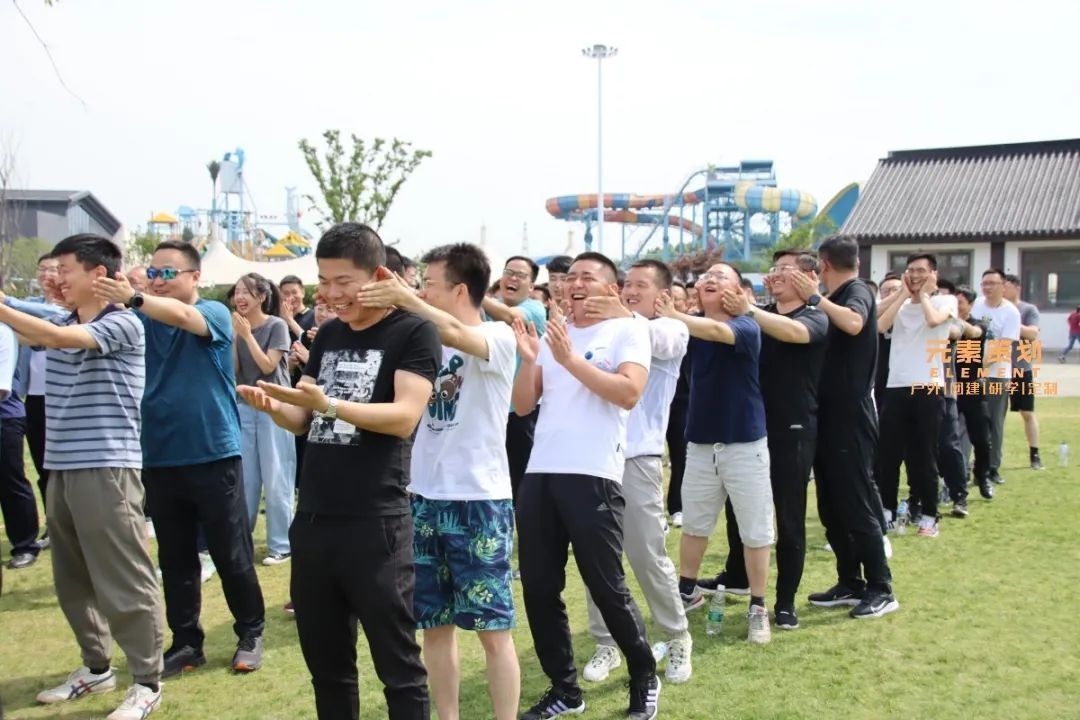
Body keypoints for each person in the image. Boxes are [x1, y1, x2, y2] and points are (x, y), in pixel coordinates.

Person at [238, 222, 438, 720]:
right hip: (314, 520)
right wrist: (275, 407)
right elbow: (304, 419)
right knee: (328, 669)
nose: (330, 294)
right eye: (324, 281)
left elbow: (405, 417)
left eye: (343, 281)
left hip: (376, 523)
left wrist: (328, 403)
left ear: (379, 276)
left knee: (399, 668)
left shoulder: (413, 331)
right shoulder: (328, 333)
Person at [0, 234, 164, 720]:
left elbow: (54, 339)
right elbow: (34, 322)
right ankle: (96, 668)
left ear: (99, 274)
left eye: (65, 269)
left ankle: (147, 681)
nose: (57, 278)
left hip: (107, 468)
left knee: (124, 578)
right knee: (72, 579)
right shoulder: (63, 319)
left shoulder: (124, 322)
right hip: (62, 467)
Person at [357, 242, 520, 720]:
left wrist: (406, 299)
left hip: (478, 499)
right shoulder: (420, 337)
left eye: (429, 284)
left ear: (460, 290)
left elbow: (453, 331)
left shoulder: (498, 335)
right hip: (423, 496)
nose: (421, 290)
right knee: (433, 625)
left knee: (493, 630)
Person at [93, 240, 268, 678]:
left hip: (213, 453)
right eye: (153, 272)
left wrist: (135, 297)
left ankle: (250, 632)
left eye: (168, 273)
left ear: (195, 277)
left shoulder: (214, 313)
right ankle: (187, 642)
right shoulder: (140, 319)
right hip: (160, 455)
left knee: (230, 553)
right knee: (175, 560)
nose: (157, 280)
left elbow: (184, 318)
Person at [511, 252, 660, 720]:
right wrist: (529, 360)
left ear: (611, 289)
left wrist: (569, 360)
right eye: (569, 277)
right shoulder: (557, 333)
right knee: (539, 588)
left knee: (606, 586)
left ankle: (644, 675)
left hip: (593, 474)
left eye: (586, 277)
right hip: (541, 473)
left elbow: (628, 393)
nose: (573, 283)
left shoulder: (627, 330)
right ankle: (565, 689)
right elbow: (523, 405)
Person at [697, 250, 828, 630]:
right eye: (776, 269)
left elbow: (793, 333)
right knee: (740, 511)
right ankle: (738, 576)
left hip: (791, 427)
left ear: (808, 278)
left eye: (788, 270)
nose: (778, 274)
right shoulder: (753, 315)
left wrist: (749, 309)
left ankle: (784, 602)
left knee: (787, 516)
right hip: (748, 426)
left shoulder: (813, 315)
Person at [578, 259, 693, 685]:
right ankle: (606, 641)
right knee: (597, 557)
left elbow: (659, 340)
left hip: (638, 459)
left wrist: (622, 316)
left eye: (640, 285)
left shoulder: (671, 328)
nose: (629, 291)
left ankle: (677, 636)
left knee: (646, 555)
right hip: (593, 457)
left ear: (662, 295)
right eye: (627, 283)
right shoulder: (609, 331)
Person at [658, 263, 775, 645]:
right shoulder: (688, 326)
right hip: (700, 444)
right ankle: (687, 590)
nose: (710, 279)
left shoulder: (745, 325)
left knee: (755, 529)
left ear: (739, 290)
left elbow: (716, 332)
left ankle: (758, 606)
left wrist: (675, 315)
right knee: (694, 524)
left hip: (745, 444)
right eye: (706, 276)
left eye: (720, 276)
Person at [790, 236, 897, 619]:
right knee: (831, 507)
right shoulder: (838, 297)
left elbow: (854, 323)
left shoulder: (856, 291)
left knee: (855, 502)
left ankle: (881, 588)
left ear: (823, 265)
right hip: (827, 415)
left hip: (851, 416)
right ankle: (850, 581)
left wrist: (814, 298)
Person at [876, 253, 957, 538]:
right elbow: (879, 326)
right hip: (896, 386)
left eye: (921, 270)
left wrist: (923, 295)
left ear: (933, 274)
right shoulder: (900, 305)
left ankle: (929, 516)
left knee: (924, 456)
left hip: (928, 387)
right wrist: (901, 295)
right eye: (911, 270)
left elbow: (934, 321)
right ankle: (886, 511)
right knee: (888, 455)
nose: (915, 275)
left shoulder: (945, 301)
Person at [229, 273, 296, 565]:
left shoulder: (276, 325)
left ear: (262, 297)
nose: (239, 297)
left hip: (274, 407)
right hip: (244, 405)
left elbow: (268, 365)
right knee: (245, 479)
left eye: (246, 292)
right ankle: (241, 541)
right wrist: (235, 337)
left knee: (276, 476)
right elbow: (234, 369)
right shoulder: (237, 327)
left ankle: (281, 545)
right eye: (237, 292)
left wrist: (246, 335)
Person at [482, 257, 548, 506]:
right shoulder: (489, 304)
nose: (513, 278)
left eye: (521, 275)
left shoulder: (535, 309)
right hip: (488, 409)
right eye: (509, 272)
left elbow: (511, 317)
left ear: (531, 287)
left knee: (517, 479)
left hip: (518, 411)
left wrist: (473, 294)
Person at [968, 269, 1020, 486]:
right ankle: (965, 467)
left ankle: (992, 467)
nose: (987, 287)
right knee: (967, 421)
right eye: (984, 283)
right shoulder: (975, 305)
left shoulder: (1011, 312)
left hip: (997, 375)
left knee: (994, 422)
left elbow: (1004, 346)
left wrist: (980, 366)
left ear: (1003, 286)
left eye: (992, 283)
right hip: (971, 374)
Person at [0, 318, 40, 571]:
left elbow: (1, 388)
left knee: (10, 482)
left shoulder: (3, 332)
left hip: (5, 417)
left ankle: (25, 545)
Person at [954, 288, 995, 500]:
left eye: (960, 302)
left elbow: (975, 332)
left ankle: (983, 476)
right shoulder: (942, 324)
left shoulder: (980, 324)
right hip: (948, 388)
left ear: (970, 305)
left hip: (972, 387)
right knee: (946, 439)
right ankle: (951, 482)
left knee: (981, 438)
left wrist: (954, 320)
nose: (956, 306)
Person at [1004, 274, 1043, 469]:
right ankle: (986, 457)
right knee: (992, 415)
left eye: (1006, 286)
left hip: (1020, 368)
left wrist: (1010, 321)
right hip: (997, 369)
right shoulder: (995, 309)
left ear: (1017, 288)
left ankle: (1034, 454)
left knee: (1027, 412)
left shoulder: (1028, 310)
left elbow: (1032, 333)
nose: (1003, 290)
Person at [664, 282, 690, 527]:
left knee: (680, 455)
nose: (670, 302)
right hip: (648, 403)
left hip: (681, 402)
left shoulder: (692, 328)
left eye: (677, 299)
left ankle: (677, 506)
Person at [280, 274, 316, 343]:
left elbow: (310, 343)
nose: (290, 297)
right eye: (286, 293)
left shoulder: (314, 316)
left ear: (303, 293)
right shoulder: (278, 318)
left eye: (294, 292)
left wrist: (289, 320)